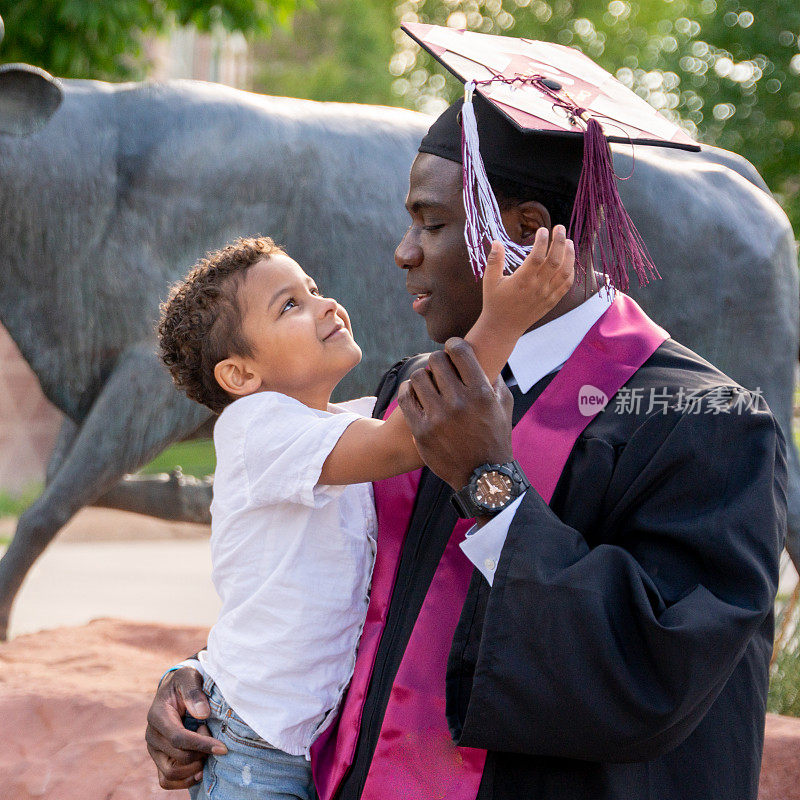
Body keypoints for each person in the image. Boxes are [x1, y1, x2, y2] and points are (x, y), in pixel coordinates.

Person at [146, 29, 786, 800]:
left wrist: (493, 486)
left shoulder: (703, 424)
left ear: (519, 234)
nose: (403, 252)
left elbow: (657, 671)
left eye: (431, 222)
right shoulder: (413, 397)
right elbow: (317, 587)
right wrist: (204, 681)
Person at [154, 231, 573, 800]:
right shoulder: (256, 429)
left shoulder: (336, 423)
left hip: (316, 737)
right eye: (290, 306)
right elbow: (408, 441)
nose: (325, 304)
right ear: (241, 377)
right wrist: (506, 319)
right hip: (254, 746)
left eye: (314, 288)